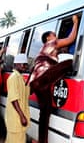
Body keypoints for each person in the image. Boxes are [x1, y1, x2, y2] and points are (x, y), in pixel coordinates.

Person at [29, 15, 79, 143]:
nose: (56, 37)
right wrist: (75, 22)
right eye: (54, 35)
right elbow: (71, 38)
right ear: (48, 38)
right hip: (43, 79)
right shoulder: (51, 43)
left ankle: (42, 141)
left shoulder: (47, 49)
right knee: (69, 62)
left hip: (38, 83)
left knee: (45, 114)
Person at [5, 54, 30, 143]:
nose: (25, 67)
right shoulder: (13, 78)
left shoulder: (20, 77)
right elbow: (13, 99)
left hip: (19, 118)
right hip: (16, 118)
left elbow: (26, 93)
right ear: (17, 64)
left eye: (26, 65)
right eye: (24, 64)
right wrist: (22, 116)